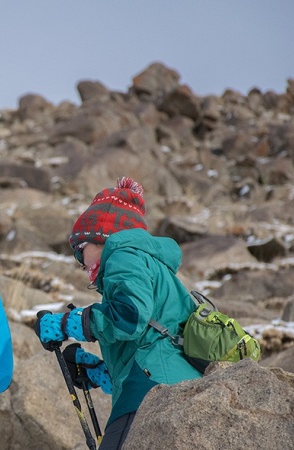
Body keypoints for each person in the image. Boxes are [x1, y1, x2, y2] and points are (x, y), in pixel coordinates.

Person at [35, 177, 202, 450]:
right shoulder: (145, 263)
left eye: (80, 249)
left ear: (102, 238)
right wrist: (101, 373)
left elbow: (129, 317)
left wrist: (67, 324)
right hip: (168, 387)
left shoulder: (123, 256)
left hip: (150, 393)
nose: (80, 261)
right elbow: (150, 340)